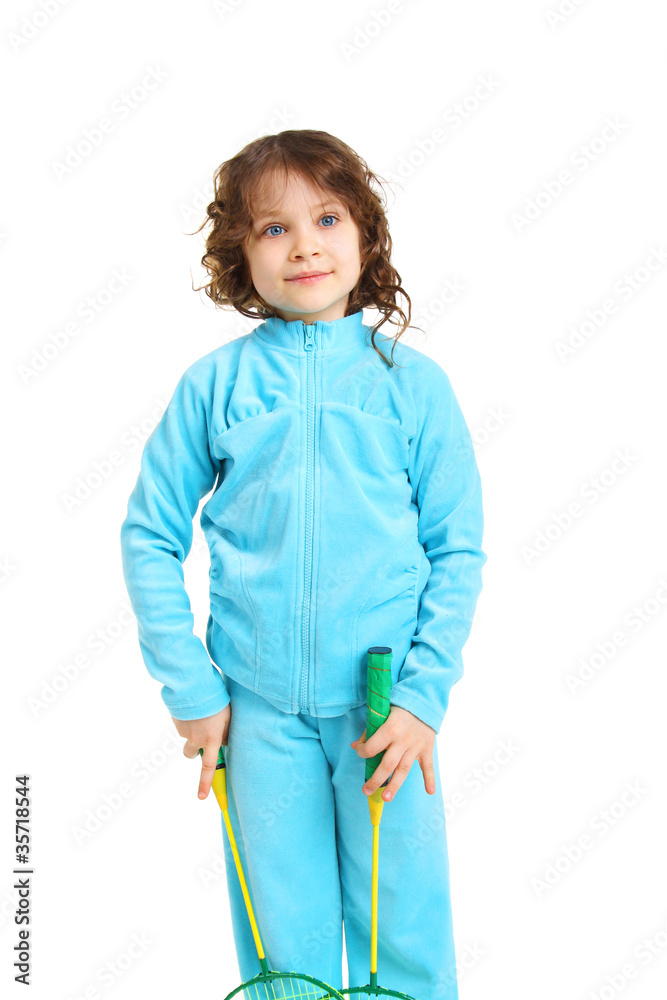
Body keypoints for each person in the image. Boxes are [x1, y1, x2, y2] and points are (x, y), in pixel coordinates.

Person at [120, 129, 487, 1000]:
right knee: (284, 943)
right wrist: (193, 690)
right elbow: (149, 536)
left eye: (326, 219)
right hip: (255, 714)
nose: (304, 246)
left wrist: (422, 696)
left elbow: (457, 548)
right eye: (273, 228)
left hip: (384, 713)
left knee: (402, 929)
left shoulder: (414, 387)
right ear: (240, 255)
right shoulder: (214, 387)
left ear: (365, 235)